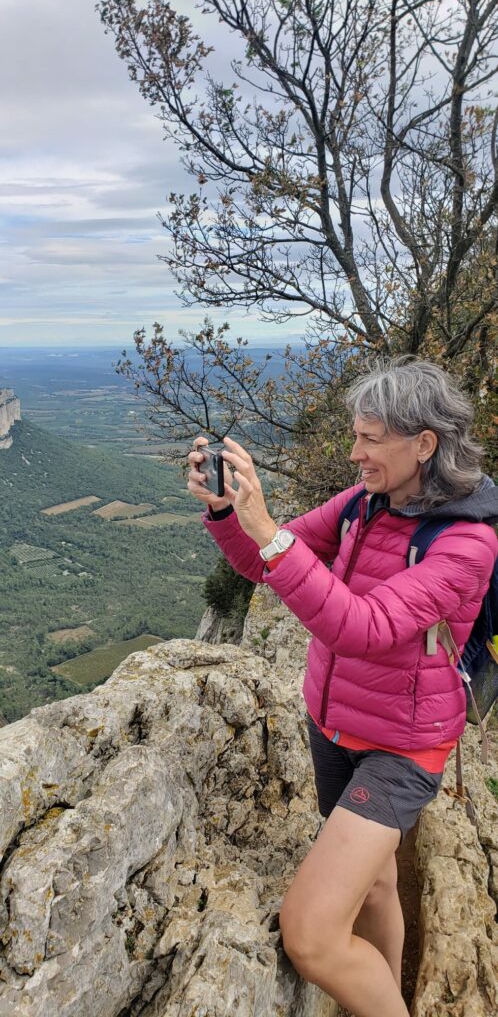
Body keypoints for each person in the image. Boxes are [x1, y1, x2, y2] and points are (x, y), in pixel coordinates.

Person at [186, 357, 498, 1017]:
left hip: (403, 748)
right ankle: (385, 994)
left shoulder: (466, 543)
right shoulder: (364, 504)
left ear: (423, 444)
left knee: (313, 933)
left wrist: (271, 532)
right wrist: (225, 512)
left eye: (369, 438)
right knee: (379, 886)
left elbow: (365, 626)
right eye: (354, 435)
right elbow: (263, 564)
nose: (354, 453)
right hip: (333, 728)